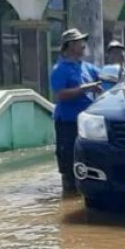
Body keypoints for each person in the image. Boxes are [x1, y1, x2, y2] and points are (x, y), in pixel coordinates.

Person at [50, 28, 102, 192]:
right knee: (68, 161)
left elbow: (106, 79)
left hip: (87, 123)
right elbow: (60, 95)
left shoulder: (87, 67)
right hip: (67, 122)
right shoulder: (60, 69)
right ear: (71, 45)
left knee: (88, 159)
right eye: (80, 42)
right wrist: (87, 88)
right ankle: (69, 192)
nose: (83, 45)